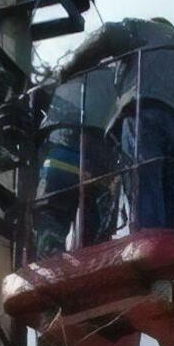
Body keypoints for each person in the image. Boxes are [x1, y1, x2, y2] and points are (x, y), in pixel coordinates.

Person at [59, 17, 174, 234]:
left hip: (144, 112)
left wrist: (70, 68)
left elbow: (107, 33)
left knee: (143, 176)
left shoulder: (142, 29)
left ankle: (146, 235)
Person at [35, 66, 119, 256]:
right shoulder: (118, 79)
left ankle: (51, 258)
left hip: (59, 156)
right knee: (94, 239)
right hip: (100, 166)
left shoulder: (64, 76)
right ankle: (93, 261)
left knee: (50, 220)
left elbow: (37, 98)